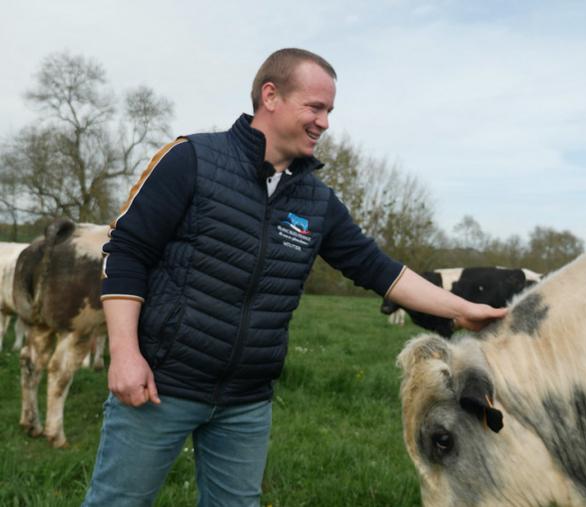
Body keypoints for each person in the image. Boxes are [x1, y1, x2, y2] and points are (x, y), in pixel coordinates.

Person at [82, 48, 506, 507]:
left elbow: (380, 270)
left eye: (329, 111)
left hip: (246, 401)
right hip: (161, 385)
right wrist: (124, 354)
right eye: (315, 107)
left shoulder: (316, 201)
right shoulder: (192, 160)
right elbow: (126, 252)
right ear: (271, 96)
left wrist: (463, 310)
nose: (324, 122)